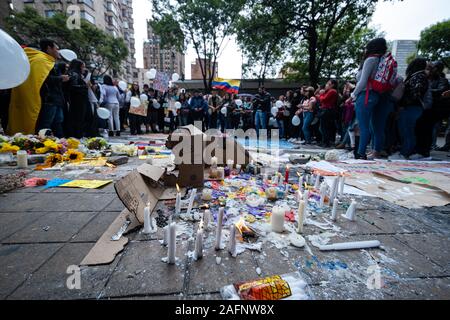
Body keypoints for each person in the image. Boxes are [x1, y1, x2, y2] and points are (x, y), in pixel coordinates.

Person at [8, 39, 60, 135]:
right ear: (49, 48)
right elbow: (41, 81)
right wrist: (60, 79)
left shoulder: (45, 60)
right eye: (57, 48)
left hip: (46, 100)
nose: (58, 51)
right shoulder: (41, 60)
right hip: (44, 100)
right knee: (43, 127)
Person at [351, 38, 392, 159]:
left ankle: (360, 153)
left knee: (363, 126)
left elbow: (363, 81)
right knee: (377, 127)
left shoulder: (370, 60)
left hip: (366, 94)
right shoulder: (384, 60)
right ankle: (376, 151)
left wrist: (353, 94)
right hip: (379, 95)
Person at [389, 58, 431, 160]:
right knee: (407, 130)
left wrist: (404, 104)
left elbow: (416, 93)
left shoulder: (418, 76)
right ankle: (406, 152)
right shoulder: (419, 76)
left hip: (411, 107)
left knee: (406, 130)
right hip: (412, 107)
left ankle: (405, 153)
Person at [415, 61, 450, 156]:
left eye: (432, 68)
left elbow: (441, 90)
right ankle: (420, 149)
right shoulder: (426, 78)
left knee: (429, 129)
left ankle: (425, 150)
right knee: (422, 129)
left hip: (434, 109)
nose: (430, 70)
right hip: (425, 107)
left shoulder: (442, 80)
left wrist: (426, 90)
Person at [36, 58, 69, 138]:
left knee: (58, 121)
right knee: (46, 122)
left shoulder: (57, 70)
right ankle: (43, 141)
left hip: (58, 101)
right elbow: (45, 79)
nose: (67, 69)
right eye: (66, 67)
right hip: (50, 100)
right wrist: (60, 78)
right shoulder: (48, 65)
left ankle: (59, 141)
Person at [66, 59, 92, 138]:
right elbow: (73, 87)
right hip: (77, 101)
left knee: (80, 119)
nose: (84, 69)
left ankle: (78, 136)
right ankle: (77, 136)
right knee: (78, 119)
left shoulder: (77, 74)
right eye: (83, 67)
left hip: (80, 100)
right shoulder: (74, 74)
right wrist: (85, 86)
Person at [317, 79, 338, 147]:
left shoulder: (332, 91)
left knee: (324, 127)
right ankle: (325, 141)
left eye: (328, 83)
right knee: (323, 127)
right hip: (325, 110)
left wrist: (321, 94)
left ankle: (326, 142)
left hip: (327, 110)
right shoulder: (328, 91)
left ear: (332, 85)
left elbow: (323, 99)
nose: (326, 85)